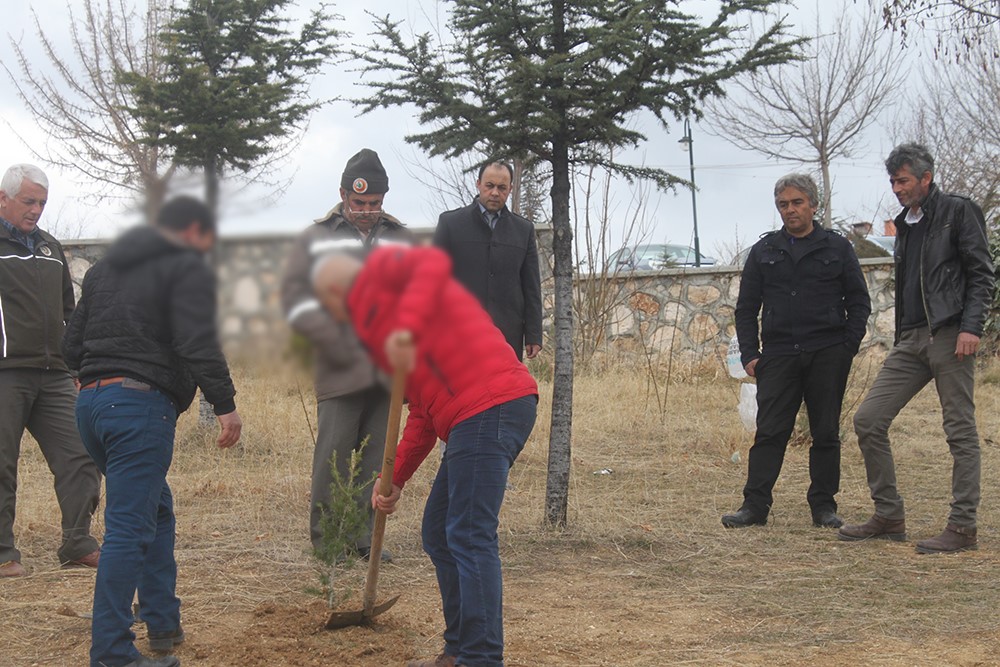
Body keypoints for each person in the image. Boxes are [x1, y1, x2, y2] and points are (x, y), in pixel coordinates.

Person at [313, 245, 538, 667]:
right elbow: (422, 414)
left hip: (491, 406)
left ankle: (482, 656)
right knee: (439, 531)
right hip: (472, 416)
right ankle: (458, 647)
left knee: (470, 534)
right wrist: (393, 478)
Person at [63, 196, 243, 667]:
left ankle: (162, 621)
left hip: (93, 408)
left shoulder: (103, 270)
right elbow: (196, 340)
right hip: (139, 410)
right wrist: (224, 405)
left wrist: (93, 374)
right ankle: (112, 652)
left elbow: (70, 346)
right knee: (128, 528)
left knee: (154, 509)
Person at [839, 144, 995, 553]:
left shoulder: (958, 212)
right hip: (911, 339)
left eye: (903, 180)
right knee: (869, 419)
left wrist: (971, 327)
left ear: (926, 178)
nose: (896, 188)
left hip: (951, 334)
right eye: (892, 181)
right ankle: (888, 515)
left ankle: (963, 528)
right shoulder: (905, 224)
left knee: (959, 430)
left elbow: (981, 273)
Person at [281, 148, 412, 562]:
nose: (367, 211)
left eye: (374, 203)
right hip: (339, 367)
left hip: (386, 372)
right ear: (342, 194)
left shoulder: (399, 237)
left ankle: (362, 541)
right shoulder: (317, 237)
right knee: (333, 459)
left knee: (377, 461)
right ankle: (327, 544)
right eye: (359, 203)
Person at [722, 173, 871, 529]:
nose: (790, 210)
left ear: (814, 205)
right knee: (770, 432)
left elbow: (859, 300)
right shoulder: (764, 251)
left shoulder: (837, 248)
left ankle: (823, 508)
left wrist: (847, 346)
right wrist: (750, 355)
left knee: (825, 432)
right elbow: (746, 308)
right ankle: (754, 508)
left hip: (828, 352)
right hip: (779, 354)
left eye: (797, 202)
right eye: (783, 204)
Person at [0, 163, 101, 578]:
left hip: (56, 372)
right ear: (3, 198)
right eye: (29, 201)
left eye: (42, 202)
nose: (37, 209)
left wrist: (75, 363)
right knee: (2, 462)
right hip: (6, 372)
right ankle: (4, 552)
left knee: (81, 453)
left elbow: (68, 312)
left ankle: (77, 542)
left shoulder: (50, 247)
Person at [434, 160, 543, 361]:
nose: (495, 193)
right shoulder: (450, 223)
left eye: (502, 188)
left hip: (507, 335)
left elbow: (531, 287)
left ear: (510, 189)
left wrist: (534, 334)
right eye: (489, 186)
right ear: (478, 184)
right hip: (459, 333)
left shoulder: (523, 230)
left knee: (507, 392)